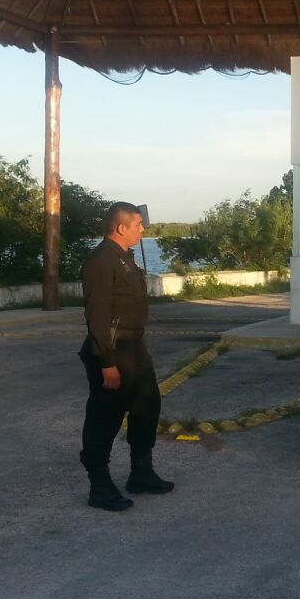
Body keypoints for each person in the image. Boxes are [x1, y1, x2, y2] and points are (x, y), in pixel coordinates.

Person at [78, 202, 174, 512]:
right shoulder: (101, 262)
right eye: (138, 225)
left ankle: (141, 473)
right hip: (111, 350)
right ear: (121, 228)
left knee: (147, 408)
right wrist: (106, 362)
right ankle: (99, 486)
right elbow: (97, 316)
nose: (142, 229)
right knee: (104, 418)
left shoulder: (124, 258)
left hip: (134, 347)